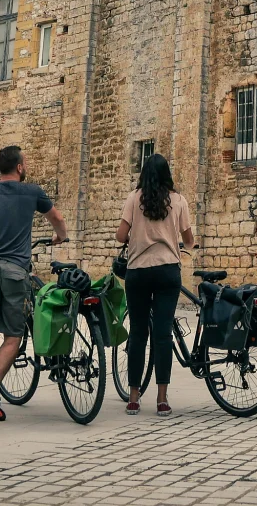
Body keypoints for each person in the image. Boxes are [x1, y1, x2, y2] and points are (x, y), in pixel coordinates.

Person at [0, 145, 68, 421]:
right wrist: (60, 237)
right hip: (15, 272)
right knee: (13, 336)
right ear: (19, 167)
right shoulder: (32, 192)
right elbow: (57, 219)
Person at [115, 153, 194, 418]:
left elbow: (120, 236)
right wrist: (183, 241)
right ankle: (162, 399)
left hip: (137, 272)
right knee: (162, 335)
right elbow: (189, 239)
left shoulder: (133, 198)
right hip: (167, 272)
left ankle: (134, 399)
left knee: (138, 334)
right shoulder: (179, 200)